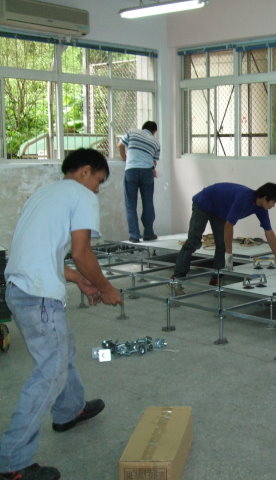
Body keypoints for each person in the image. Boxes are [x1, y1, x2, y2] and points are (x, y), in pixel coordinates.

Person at [0, 149, 124, 480]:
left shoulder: (44, 194)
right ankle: (12, 461)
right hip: (39, 297)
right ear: (85, 171)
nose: (97, 188)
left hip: (20, 289)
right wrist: (106, 287)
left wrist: (78, 279)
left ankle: (69, 410)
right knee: (50, 373)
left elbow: (39, 252)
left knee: (61, 352)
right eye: (99, 180)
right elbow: (82, 252)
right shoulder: (82, 195)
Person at [172, 182, 276, 283]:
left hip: (219, 210)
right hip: (204, 203)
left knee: (221, 245)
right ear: (265, 198)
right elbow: (229, 226)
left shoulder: (262, 209)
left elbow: (269, 232)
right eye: (273, 202)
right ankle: (177, 277)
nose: (273, 206)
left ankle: (217, 279)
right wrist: (229, 254)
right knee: (193, 241)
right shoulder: (244, 198)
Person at [117, 121, 161, 242]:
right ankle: (148, 233)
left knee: (131, 204)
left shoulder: (133, 132)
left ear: (143, 128)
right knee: (148, 203)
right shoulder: (156, 142)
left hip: (131, 171)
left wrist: (125, 158)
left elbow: (119, 145)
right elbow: (154, 161)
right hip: (147, 172)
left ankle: (134, 235)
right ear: (154, 131)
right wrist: (152, 168)